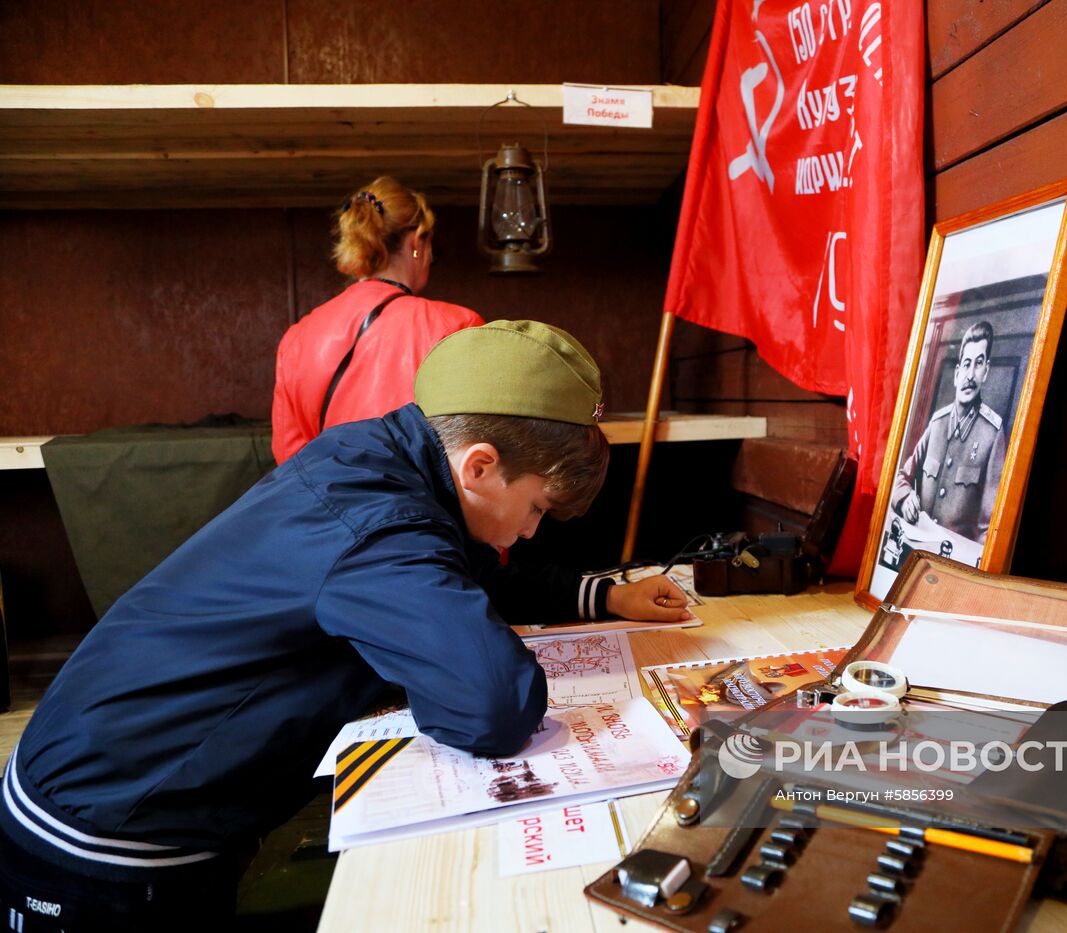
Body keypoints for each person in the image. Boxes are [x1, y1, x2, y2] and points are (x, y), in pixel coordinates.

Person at [0, 321, 691, 931]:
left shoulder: (383, 457)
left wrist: (600, 595)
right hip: (106, 835)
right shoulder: (380, 525)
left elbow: (459, 573)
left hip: (114, 781)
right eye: (537, 507)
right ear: (479, 462)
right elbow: (493, 703)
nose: (532, 531)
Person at [272, 175, 484, 463]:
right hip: (423, 505)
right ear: (417, 242)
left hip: (334, 504)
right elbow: (477, 447)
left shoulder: (297, 338)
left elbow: (291, 459)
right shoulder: (457, 325)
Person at [891, 319, 1007, 545]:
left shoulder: (992, 435)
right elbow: (901, 478)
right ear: (956, 373)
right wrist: (905, 500)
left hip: (955, 565)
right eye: (966, 364)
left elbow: (988, 528)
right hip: (917, 551)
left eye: (978, 363)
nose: (970, 375)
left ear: (986, 371)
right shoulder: (937, 423)